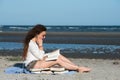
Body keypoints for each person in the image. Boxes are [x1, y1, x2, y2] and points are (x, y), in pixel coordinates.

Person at [23, 24, 91, 73]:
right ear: (37, 34)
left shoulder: (34, 43)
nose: (44, 37)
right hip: (32, 65)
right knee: (57, 60)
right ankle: (78, 68)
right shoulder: (31, 43)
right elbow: (40, 57)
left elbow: (40, 55)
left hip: (37, 62)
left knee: (58, 55)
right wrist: (41, 46)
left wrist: (50, 54)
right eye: (43, 35)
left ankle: (75, 66)